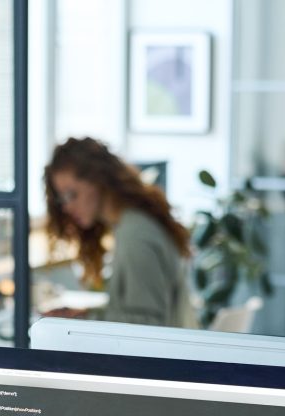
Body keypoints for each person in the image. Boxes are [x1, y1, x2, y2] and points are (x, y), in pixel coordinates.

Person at [43, 136, 195, 328]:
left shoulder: (136, 235)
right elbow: (136, 312)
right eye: (62, 200)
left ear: (98, 180)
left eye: (71, 194)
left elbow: (148, 324)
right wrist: (85, 315)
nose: (67, 208)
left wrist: (85, 321)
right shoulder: (132, 224)